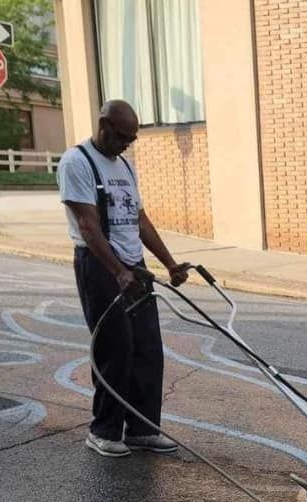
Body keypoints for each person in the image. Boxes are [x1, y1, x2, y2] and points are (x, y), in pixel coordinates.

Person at [57, 99, 190, 458]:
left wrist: (170, 264)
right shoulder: (76, 163)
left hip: (135, 266)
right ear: (103, 124)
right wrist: (117, 272)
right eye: (121, 137)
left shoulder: (126, 167)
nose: (126, 144)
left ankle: (143, 429)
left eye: (131, 139)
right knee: (115, 350)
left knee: (148, 350)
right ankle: (104, 430)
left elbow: (140, 221)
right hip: (101, 267)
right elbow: (88, 226)